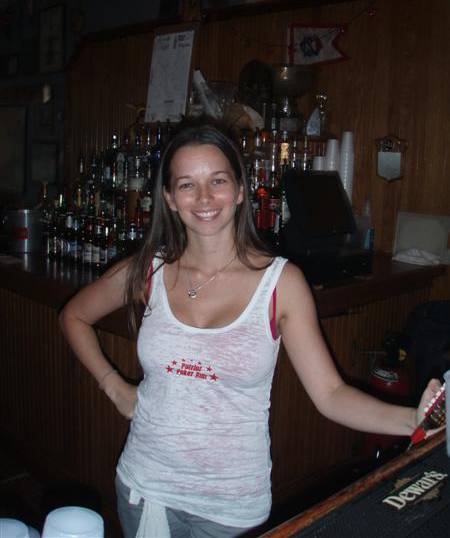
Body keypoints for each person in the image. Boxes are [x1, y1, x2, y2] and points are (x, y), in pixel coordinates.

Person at [59, 119, 441, 538]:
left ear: (241, 189)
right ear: (169, 198)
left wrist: (414, 420)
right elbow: (74, 316)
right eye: (186, 184)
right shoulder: (148, 270)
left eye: (217, 180)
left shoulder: (280, 284)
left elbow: (331, 394)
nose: (204, 197)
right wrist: (114, 386)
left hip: (231, 506)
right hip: (145, 489)